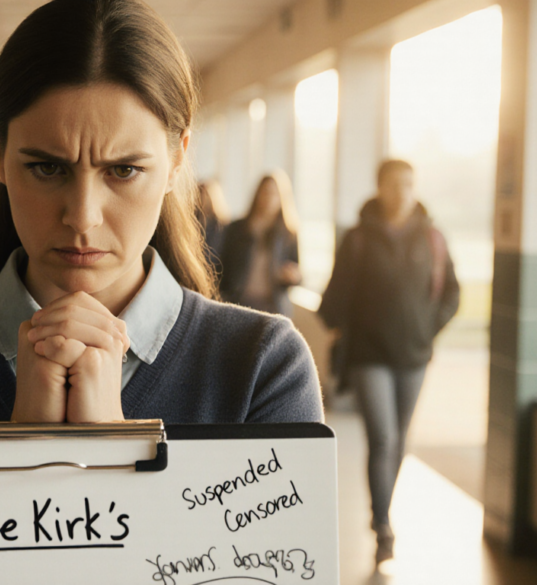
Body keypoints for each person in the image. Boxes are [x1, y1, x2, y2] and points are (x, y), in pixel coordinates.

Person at [0, 0, 323, 428]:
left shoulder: (264, 366)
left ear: (177, 159)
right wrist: (23, 443)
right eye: (47, 167)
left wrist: (113, 450)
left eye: (124, 170)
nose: (82, 217)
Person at [318, 159, 460, 566]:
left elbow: (451, 292)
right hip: (369, 356)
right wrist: (343, 328)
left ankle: (383, 510)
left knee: (399, 439)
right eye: (394, 184)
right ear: (379, 187)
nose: (402, 192)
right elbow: (334, 298)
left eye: (409, 184)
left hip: (414, 356)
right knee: (382, 437)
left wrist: (427, 327)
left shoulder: (432, 237)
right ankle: (382, 524)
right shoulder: (359, 238)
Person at [218, 171, 301, 316]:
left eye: (274, 194)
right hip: (238, 302)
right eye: (266, 192)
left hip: (273, 306)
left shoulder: (288, 233)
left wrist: (290, 276)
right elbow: (222, 265)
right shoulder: (238, 228)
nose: (269, 198)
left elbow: (297, 273)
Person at [196, 180, 231, 279]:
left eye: (206, 194)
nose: (203, 198)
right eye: (200, 193)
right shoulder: (192, 223)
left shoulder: (223, 227)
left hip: (216, 276)